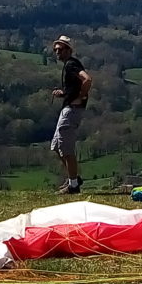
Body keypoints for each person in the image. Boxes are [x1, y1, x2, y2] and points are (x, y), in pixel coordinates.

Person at [48, 35, 92, 194]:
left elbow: (87, 79)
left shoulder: (71, 65)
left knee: (66, 147)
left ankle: (73, 185)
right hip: (69, 108)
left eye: (60, 49)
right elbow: (78, 84)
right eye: (55, 49)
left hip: (71, 111)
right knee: (56, 145)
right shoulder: (70, 65)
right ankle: (74, 178)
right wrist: (65, 93)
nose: (57, 52)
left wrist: (81, 97)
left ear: (68, 50)